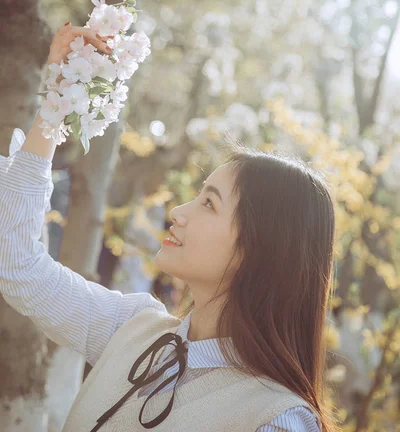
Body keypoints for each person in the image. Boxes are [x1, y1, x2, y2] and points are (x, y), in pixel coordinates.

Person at [0, 24, 337, 432]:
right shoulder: (133, 327)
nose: (178, 211)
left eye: (208, 204)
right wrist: (56, 106)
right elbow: (17, 266)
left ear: (259, 248)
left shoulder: (274, 419)